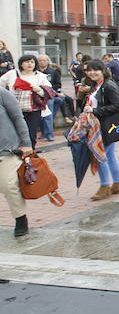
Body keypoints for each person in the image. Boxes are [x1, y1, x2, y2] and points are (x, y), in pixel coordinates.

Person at [77, 59, 119, 200]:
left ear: (103, 70)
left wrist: (94, 110)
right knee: (109, 156)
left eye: (95, 70)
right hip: (99, 125)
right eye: (89, 70)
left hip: (104, 126)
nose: (92, 72)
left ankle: (105, 186)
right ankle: (117, 184)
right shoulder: (96, 85)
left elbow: (118, 106)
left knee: (100, 157)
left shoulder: (108, 85)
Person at [0, 86, 32, 236]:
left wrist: (26, 143)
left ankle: (20, 218)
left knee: (9, 185)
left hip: (6, 149)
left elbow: (18, 117)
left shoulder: (2, 93)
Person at [0, 54, 51, 148]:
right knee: (14, 133)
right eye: (27, 62)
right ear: (21, 64)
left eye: (32, 62)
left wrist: (38, 90)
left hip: (33, 110)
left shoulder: (41, 76)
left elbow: (48, 92)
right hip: (13, 109)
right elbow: (1, 84)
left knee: (31, 134)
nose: (30, 64)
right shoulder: (12, 73)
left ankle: (30, 154)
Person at [37, 54, 72, 139]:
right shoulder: (36, 72)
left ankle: (49, 134)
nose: (42, 62)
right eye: (40, 60)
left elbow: (58, 84)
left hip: (49, 95)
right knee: (40, 116)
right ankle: (43, 132)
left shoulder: (53, 71)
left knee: (48, 115)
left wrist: (50, 90)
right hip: (38, 95)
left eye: (44, 60)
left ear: (47, 61)